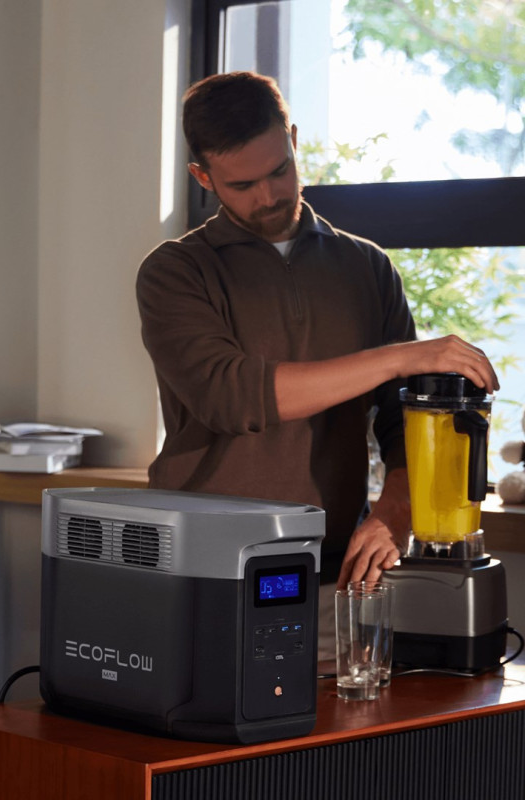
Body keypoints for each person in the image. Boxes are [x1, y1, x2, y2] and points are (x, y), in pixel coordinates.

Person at [136, 72, 499, 654]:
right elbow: (232, 397)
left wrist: (394, 512)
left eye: (279, 170)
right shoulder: (174, 272)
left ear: (294, 140)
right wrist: (398, 358)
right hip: (200, 573)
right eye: (242, 184)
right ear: (203, 178)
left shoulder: (367, 267)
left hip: (332, 575)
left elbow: (401, 421)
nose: (268, 196)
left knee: (341, 715)